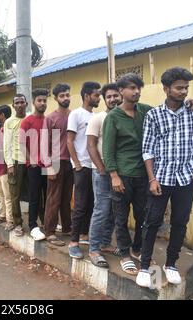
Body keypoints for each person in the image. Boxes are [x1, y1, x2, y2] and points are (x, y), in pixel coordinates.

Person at [137, 67, 193, 287]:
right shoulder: (154, 115)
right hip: (160, 179)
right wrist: (152, 179)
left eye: (186, 88)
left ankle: (171, 264)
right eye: (179, 88)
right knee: (151, 222)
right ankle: (144, 267)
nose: (183, 92)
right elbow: (148, 150)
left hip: (185, 181)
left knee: (180, 223)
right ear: (166, 89)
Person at [102, 74, 152, 275]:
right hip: (122, 175)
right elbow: (108, 149)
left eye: (139, 87)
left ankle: (137, 248)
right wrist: (113, 175)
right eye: (132, 87)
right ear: (121, 91)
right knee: (120, 218)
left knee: (143, 216)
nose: (137, 91)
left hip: (144, 175)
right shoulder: (113, 117)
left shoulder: (146, 111)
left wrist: (190, 102)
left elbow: (167, 112)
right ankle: (124, 253)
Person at [86, 83, 122, 268]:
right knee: (101, 209)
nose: (113, 99)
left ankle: (106, 243)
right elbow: (91, 145)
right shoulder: (98, 118)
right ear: (105, 100)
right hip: (101, 173)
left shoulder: (126, 117)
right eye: (109, 97)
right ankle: (94, 249)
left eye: (116, 95)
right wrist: (100, 168)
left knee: (115, 211)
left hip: (121, 174)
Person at [66, 82, 100, 258]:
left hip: (95, 166)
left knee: (92, 203)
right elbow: (70, 140)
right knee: (79, 205)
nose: (99, 98)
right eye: (96, 95)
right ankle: (73, 242)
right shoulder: (76, 114)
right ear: (87, 96)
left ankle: (84, 234)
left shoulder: (95, 116)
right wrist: (77, 163)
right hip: (82, 166)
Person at [43, 83, 73, 246]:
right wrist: (48, 166)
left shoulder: (74, 115)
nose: (65, 98)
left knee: (67, 198)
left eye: (67, 95)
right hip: (54, 161)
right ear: (55, 98)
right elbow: (43, 144)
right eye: (62, 96)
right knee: (53, 198)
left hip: (72, 161)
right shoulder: (50, 118)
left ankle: (67, 227)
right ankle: (50, 231)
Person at [20, 89, 49, 241]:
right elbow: (22, 143)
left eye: (45, 100)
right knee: (34, 196)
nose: (42, 103)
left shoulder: (49, 120)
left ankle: (47, 222)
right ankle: (33, 226)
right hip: (34, 166)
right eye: (39, 100)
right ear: (33, 102)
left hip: (47, 165)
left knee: (48, 195)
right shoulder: (27, 121)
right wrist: (30, 161)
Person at [4, 94, 28, 235]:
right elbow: (7, 144)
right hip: (16, 161)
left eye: (22, 102)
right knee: (15, 195)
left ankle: (40, 222)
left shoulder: (31, 118)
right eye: (17, 103)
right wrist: (9, 164)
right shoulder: (9, 122)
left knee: (36, 193)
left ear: (26, 104)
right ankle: (17, 223)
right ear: (13, 106)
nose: (19, 105)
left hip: (31, 162)